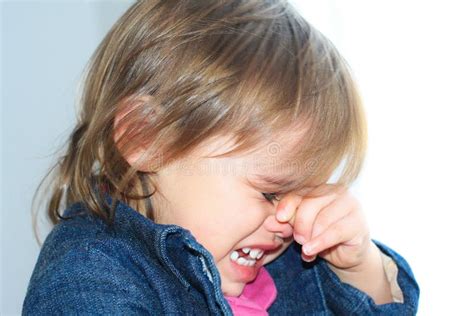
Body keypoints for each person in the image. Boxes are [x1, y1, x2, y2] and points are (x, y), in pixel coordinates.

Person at [22, 0, 420, 315]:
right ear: (146, 137)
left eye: (304, 194)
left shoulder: (292, 263)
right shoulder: (92, 275)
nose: (288, 221)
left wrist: (359, 269)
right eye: (269, 194)